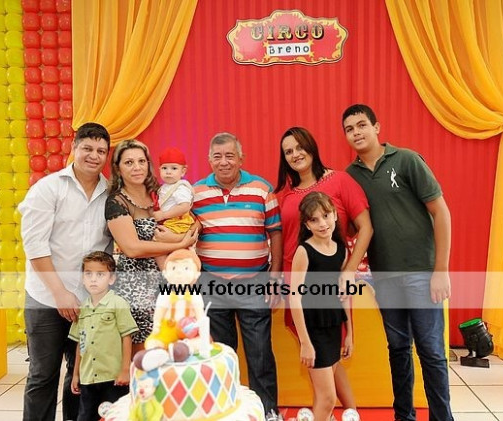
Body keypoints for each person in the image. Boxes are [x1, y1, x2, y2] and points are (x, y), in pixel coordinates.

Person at [342, 104, 453, 421]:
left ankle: (442, 417)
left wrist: (441, 270)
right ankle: (404, 416)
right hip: (384, 277)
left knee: (431, 351)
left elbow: (441, 212)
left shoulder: (406, 160)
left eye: (362, 125)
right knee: (398, 348)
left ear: (376, 127)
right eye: (349, 129)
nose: (356, 133)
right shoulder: (350, 177)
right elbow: (352, 227)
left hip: (422, 274)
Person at [20, 122, 112, 421]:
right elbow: (35, 245)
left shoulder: (111, 193)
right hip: (46, 297)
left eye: (101, 151)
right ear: (74, 148)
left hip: (88, 302)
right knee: (43, 374)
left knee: (80, 375)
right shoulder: (48, 189)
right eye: (87, 148)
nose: (94, 156)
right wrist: (60, 292)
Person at [276, 126, 372, 410]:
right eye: (288, 151)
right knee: (320, 355)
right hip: (298, 285)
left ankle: (345, 411)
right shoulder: (285, 194)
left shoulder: (340, 181)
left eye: (299, 147)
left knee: (332, 352)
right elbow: (283, 239)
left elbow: (365, 228)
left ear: (312, 147)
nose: (295, 154)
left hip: (332, 282)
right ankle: (336, 410)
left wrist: (349, 271)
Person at [192, 132, 283, 420]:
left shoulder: (262, 189)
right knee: (220, 356)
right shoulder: (195, 193)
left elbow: (275, 233)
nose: (224, 162)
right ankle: (226, 412)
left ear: (241, 158)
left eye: (230, 156)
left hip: (254, 282)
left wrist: (275, 277)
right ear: (209, 160)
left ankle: (268, 412)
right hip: (211, 283)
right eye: (217, 156)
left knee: (260, 354)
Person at [105, 139, 197, 355]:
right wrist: (180, 243)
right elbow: (132, 248)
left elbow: (193, 220)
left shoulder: (161, 191)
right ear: (118, 168)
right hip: (138, 287)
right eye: (129, 162)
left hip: (170, 282)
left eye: (141, 161)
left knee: (173, 348)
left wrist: (180, 236)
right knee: (145, 355)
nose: (136, 167)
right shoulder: (117, 201)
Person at [290, 192, 360, 421]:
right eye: (314, 219)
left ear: (335, 215)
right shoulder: (304, 251)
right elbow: (294, 298)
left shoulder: (341, 250)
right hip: (313, 329)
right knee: (328, 398)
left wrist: (349, 333)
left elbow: (343, 295)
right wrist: (305, 342)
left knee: (325, 398)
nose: (322, 223)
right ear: (306, 225)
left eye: (326, 216)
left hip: (333, 325)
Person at [69, 251, 138, 421]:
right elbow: (80, 343)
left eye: (100, 274)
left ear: (111, 278)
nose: (93, 279)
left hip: (113, 377)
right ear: (83, 278)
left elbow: (127, 337)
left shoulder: (118, 304)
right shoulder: (82, 308)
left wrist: (125, 370)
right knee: (85, 416)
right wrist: (76, 374)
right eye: (88, 274)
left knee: (115, 416)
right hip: (88, 378)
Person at [154, 146, 194, 233]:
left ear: (183, 171)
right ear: (159, 170)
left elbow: (184, 207)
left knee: (159, 237)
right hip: (166, 221)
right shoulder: (163, 187)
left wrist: (163, 215)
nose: (168, 172)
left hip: (177, 223)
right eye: (164, 168)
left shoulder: (181, 188)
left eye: (174, 168)